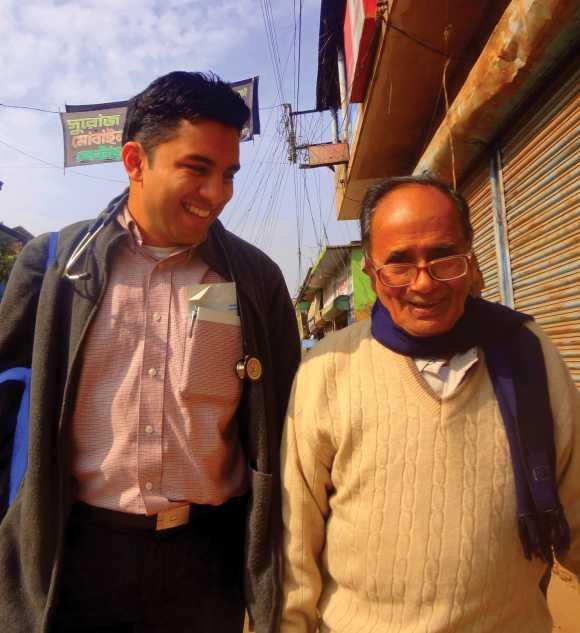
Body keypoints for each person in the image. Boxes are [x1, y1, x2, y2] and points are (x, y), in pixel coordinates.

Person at [0, 71, 300, 633]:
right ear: (135, 161)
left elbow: (284, 425)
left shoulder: (249, 280)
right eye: (197, 168)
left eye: (229, 173)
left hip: (206, 566)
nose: (218, 194)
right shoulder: (55, 267)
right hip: (76, 562)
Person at [279, 175, 579, 632]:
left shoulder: (528, 354)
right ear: (371, 273)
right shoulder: (328, 371)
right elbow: (294, 541)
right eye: (399, 264)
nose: (424, 283)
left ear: (471, 256)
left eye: (443, 257)